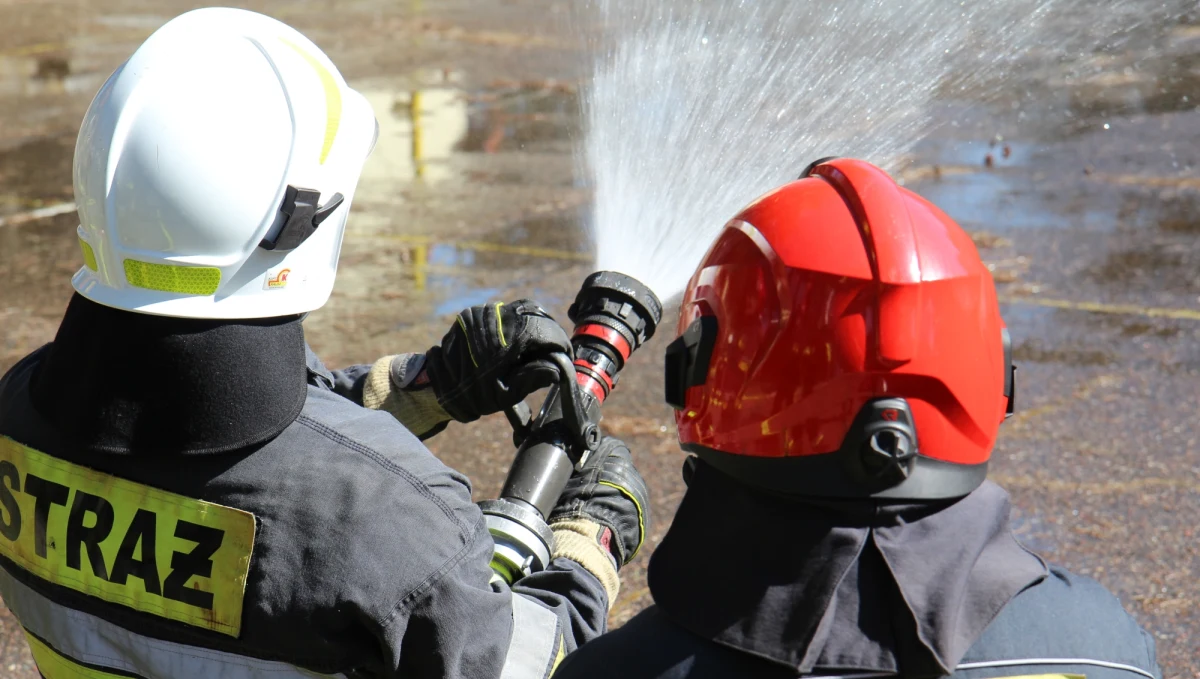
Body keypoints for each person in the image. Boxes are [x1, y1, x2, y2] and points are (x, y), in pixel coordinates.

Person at [0, 8, 649, 679]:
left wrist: (431, 385)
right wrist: (583, 548)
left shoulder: (17, 419)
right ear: (298, 226)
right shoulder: (398, 528)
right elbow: (523, 662)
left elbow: (250, 450)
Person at [555, 157, 1162, 679]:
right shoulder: (1108, 649)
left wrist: (569, 573)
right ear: (992, 377)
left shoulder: (624, 670)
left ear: (702, 379)